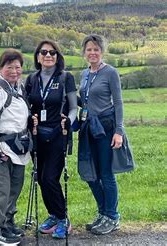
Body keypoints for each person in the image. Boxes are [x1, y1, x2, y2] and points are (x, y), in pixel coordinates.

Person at [78, 34, 133, 235]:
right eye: (89, 49)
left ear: (102, 52)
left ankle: (112, 216)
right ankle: (102, 213)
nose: (92, 53)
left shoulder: (110, 72)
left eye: (96, 49)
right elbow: (83, 100)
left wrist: (119, 131)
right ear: (84, 52)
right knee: (90, 173)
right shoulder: (84, 74)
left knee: (105, 174)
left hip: (106, 128)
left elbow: (118, 103)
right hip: (89, 129)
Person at [25, 40, 77, 239]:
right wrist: (31, 119)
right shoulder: (31, 79)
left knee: (50, 178)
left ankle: (64, 218)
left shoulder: (65, 78)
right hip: (37, 134)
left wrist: (68, 122)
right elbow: (27, 107)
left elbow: (73, 107)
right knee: (40, 177)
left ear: (58, 56)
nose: (48, 55)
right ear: (38, 56)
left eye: (53, 52)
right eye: (44, 52)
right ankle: (54, 215)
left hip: (58, 134)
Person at [0, 48, 31, 246]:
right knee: (1, 190)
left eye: (18, 67)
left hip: (18, 148)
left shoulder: (18, 89)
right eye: (9, 67)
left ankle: (8, 223)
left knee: (14, 189)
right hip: (2, 149)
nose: (14, 71)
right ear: (1, 68)